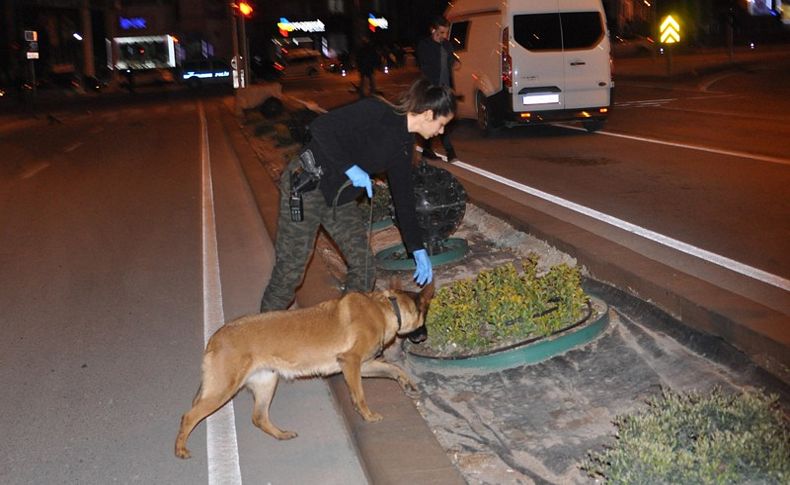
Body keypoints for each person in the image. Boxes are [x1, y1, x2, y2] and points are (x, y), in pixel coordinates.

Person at [260, 78, 456, 312]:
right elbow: (320, 127)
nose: (441, 131)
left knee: (363, 268)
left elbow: (403, 200)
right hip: (307, 187)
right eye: (442, 124)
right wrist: (350, 167)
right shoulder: (377, 111)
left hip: (338, 199)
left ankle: (343, 331)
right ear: (428, 114)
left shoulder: (404, 145)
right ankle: (258, 336)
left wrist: (417, 248)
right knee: (290, 272)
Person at [416, 16, 458, 162]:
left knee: (439, 119)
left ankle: (427, 150)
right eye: (441, 32)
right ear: (433, 30)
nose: (444, 36)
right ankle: (450, 151)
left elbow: (451, 60)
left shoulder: (447, 45)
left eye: (446, 32)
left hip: (446, 88)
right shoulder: (425, 45)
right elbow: (424, 66)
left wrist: (455, 62)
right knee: (438, 119)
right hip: (432, 89)